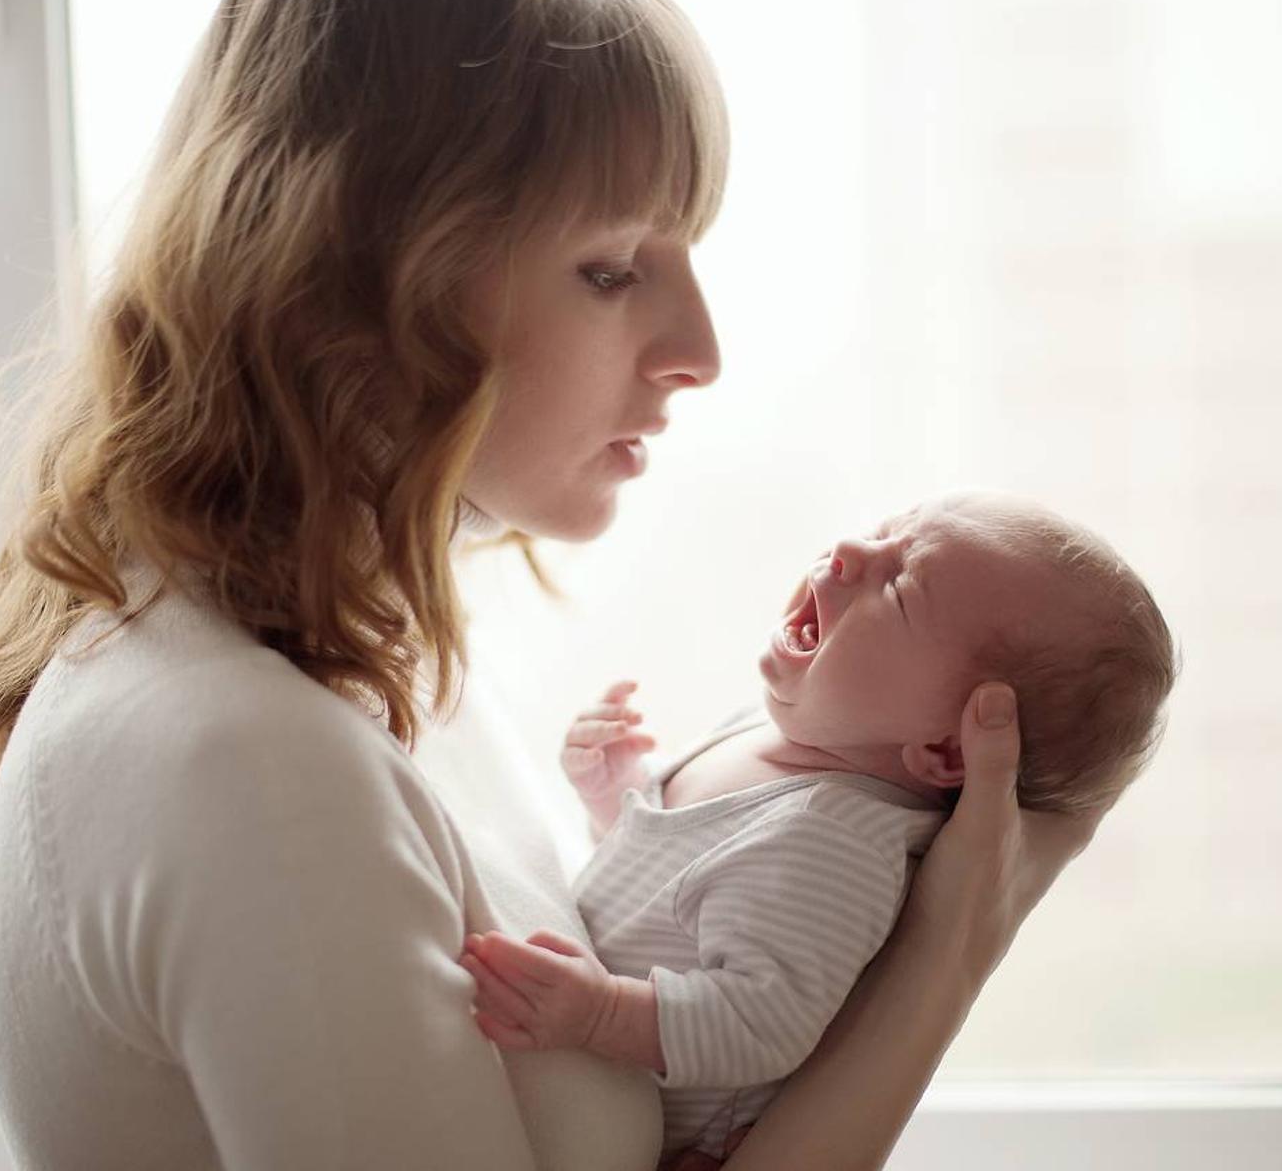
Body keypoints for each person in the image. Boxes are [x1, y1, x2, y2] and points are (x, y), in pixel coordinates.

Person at [0, 0, 1108, 1168]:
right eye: (614, 269)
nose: (700, 352)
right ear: (363, 281)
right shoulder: (254, 764)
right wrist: (945, 960)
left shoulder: (378, 663)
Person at [462, 492, 1176, 1164]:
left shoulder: (833, 842)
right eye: (881, 530)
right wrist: (620, 792)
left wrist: (598, 1014)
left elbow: (754, 1023)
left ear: (948, 749)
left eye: (898, 587)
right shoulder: (769, 739)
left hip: (638, 1137)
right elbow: (682, 890)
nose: (846, 551)